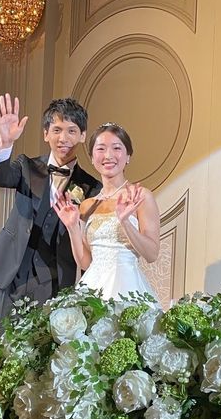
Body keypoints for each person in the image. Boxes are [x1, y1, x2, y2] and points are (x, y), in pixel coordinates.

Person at [0, 94, 101, 321]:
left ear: (83, 135)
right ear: (46, 134)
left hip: (56, 280)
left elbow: (89, 240)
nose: (63, 138)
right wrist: (6, 143)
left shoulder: (92, 187)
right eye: (56, 130)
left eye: (72, 131)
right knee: (5, 338)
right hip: (15, 274)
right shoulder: (27, 166)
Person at [54, 123, 160, 301]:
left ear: (128, 156)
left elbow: (151, 254)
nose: (108, 155)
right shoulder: (87, 205)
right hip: (93, 288)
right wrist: (72, 228)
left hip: (127, 288)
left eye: (116, 148)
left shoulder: (140, 196)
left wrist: (125, 222)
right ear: (92, 157)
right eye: (101, 149)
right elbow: (86, 263)